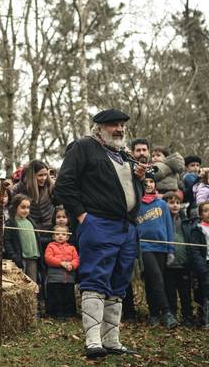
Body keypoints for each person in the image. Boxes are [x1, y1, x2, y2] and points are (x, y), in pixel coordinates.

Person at [53, 109, 144, 358]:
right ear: (100, 127)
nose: (119, 129)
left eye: (122, 125)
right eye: (114, 125)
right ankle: (93, 341)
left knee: (118, 284)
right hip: (98, 224)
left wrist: (139, 180)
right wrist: (83, 216)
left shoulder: (124, 154)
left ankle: (111, 340)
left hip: (126, 227)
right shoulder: (83, 147)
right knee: (95, 280)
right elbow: (63, 185)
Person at [136, 173, 177, 328]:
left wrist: (171, 249)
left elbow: (169, 227)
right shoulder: (137, 204)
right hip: (145, 247)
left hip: (162, 247)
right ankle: (166, 313)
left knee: (154, 281)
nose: (149, 184)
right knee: (156, 277)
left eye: (151, 181)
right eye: (145, 181)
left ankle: (153, 314)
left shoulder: (162, 204)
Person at [162, 192, 193, 326]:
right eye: (171, 202)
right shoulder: (162, 221)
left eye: (177, 203)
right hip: (168, 264)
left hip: (183, 263)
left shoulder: (185, 221)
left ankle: (187, 316)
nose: (175, 205)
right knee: (170, 291)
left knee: (185, 292)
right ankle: (172, 314)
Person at [44, 225, 79, 318]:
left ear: (67, 237)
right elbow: (48, 258)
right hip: (55, 278)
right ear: (53, 236)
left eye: (63, 234)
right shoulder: (51, 246)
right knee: (56, 297)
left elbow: (76, 259)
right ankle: (56, 313)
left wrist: (72, 265)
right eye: (57, 234)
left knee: (68, 296)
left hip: (68, 278)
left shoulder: (71, 248)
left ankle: (69, 313)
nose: (60, 236)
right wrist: (61, 263)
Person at [4, 194, 41, 278]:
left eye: (28, 208)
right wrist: (14, 256)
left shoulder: (31, 222)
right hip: (20, 259)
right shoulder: (11, 223)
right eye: (23, 207)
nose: (26, 210)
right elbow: (7, 241)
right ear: (15, 207)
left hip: (33, 258)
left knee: (32, 282)